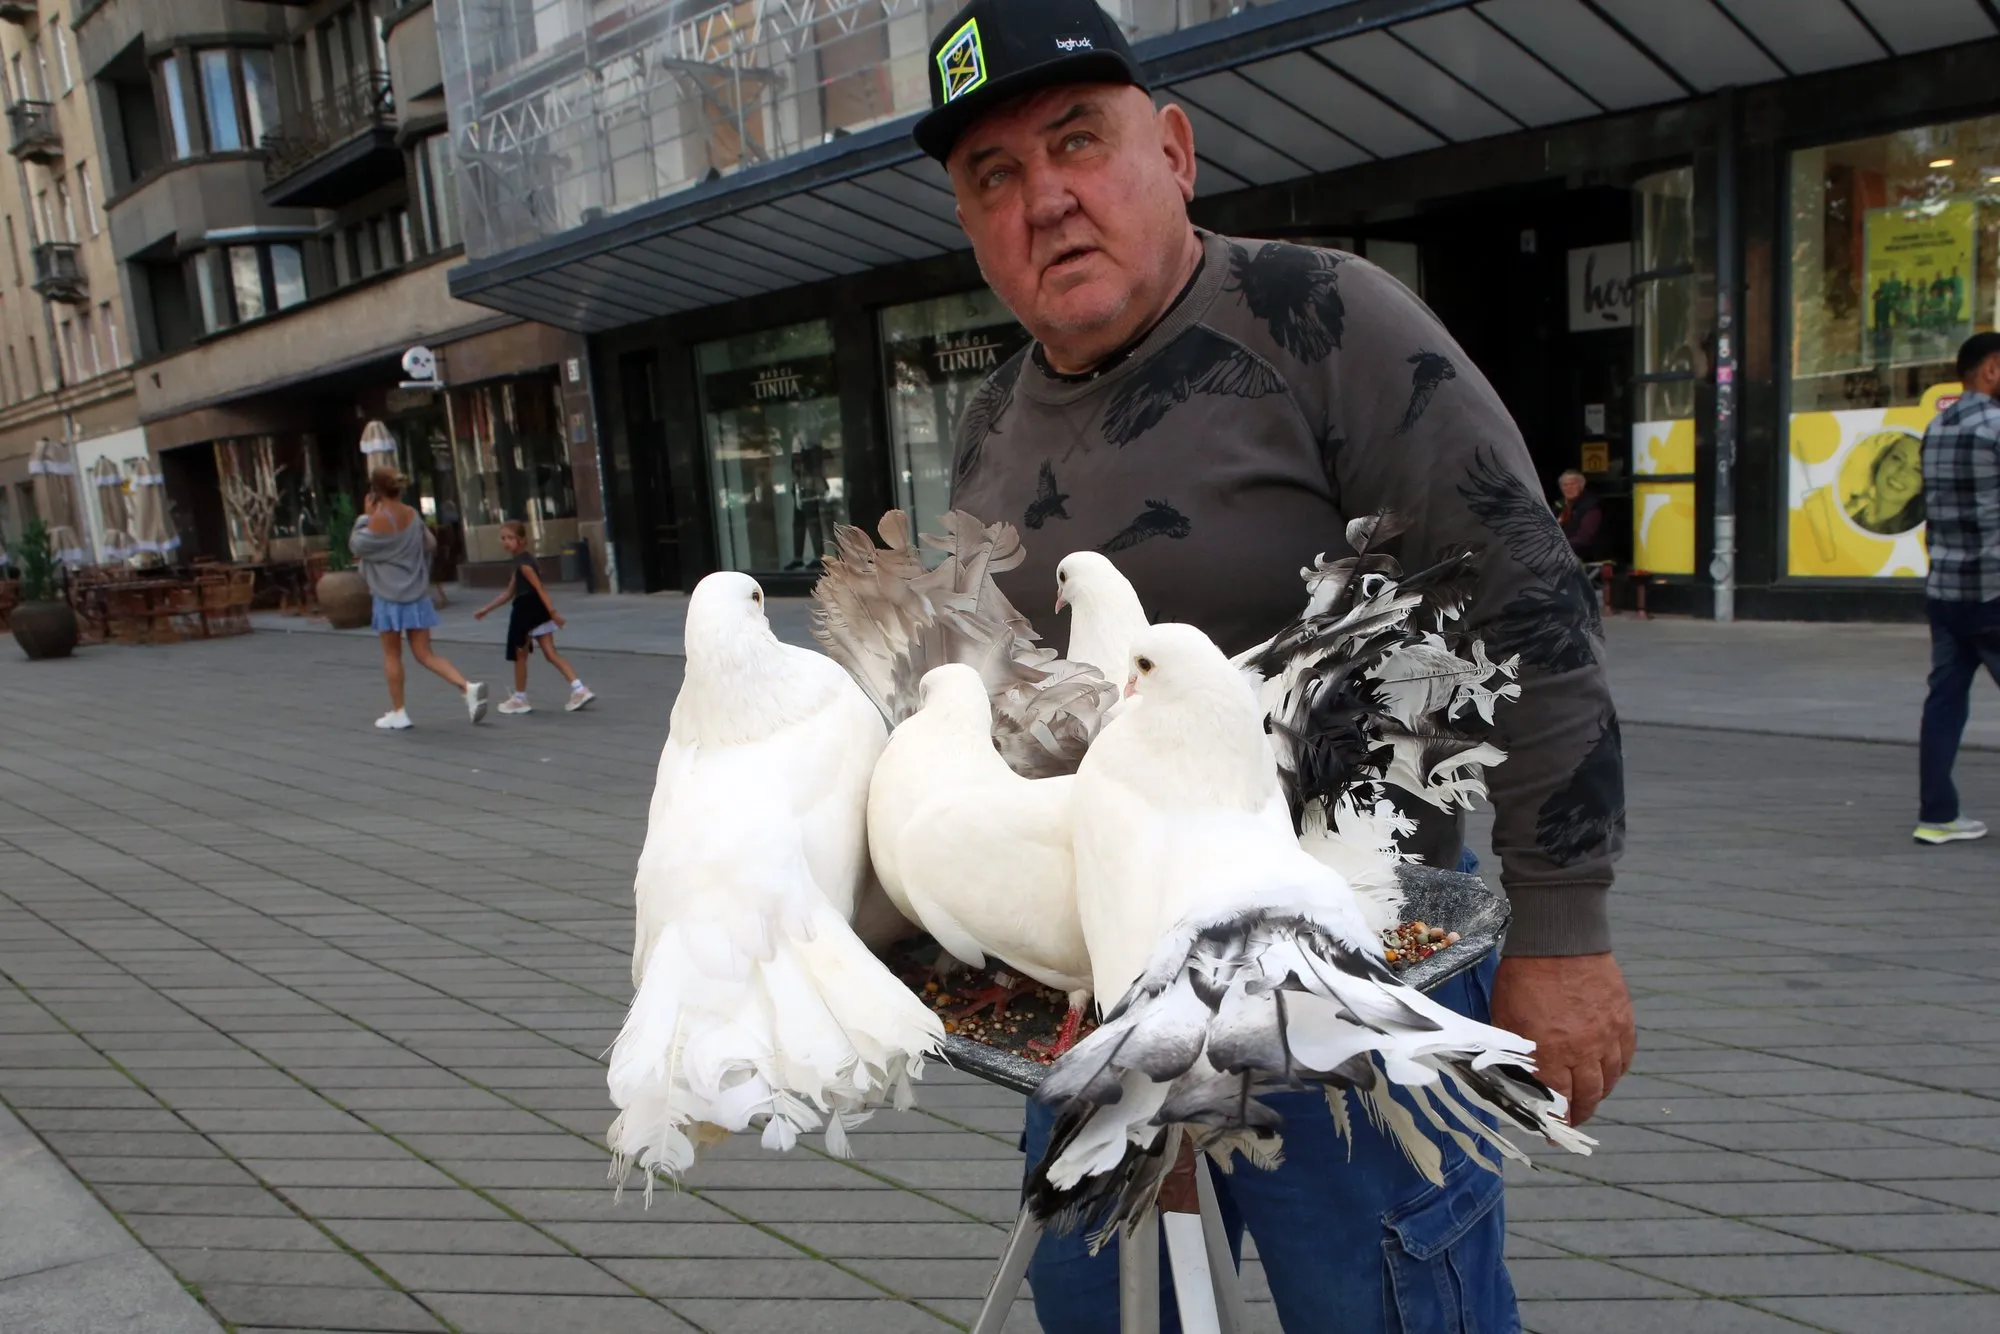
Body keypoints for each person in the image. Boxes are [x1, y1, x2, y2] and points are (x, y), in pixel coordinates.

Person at [916, 2, 1633, 1329]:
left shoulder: (1322, 320)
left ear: (1176, 152)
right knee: (1114, 1311)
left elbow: (1531, 603)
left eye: (1079, 142)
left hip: (1354, 965)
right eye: (995, 176)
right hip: (1105, 999)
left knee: (1394, 1309)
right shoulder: (991, 425)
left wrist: (1566, 931)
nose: (1047, 199)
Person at [1915, 330, 2000, 845]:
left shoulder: (1936, 427)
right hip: (1994, 590)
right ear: (1990, 368)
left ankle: (1937, 814)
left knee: (1944, 701)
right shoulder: (1997, 427)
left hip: (1946, 591)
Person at [350, 467, 486, 730]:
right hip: (416, 593)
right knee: (425, 653)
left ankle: (399, 711)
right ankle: (466, 686)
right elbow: (430, 543)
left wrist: (364, 518)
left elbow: (357, 545)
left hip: (389, 597)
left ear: (375, 491)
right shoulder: (412, 514)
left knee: (392, 654)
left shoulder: (377, 519)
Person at [473, 519, 596, 715]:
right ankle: (579, 688)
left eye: (511, 538)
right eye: (503, 538)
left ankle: (520, 698)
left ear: (522, 540)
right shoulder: (522, 562)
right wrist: (486, 609)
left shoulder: (524, 565)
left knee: (520, 655)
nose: (506, 542)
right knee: (550, 652)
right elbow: (509, 592)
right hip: (537, 611)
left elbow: (539, 589)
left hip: (526, 612)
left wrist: (554, 613)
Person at [1846, 431, 1926, 535]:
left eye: (1917, 469)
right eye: (1897, 458)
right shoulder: (1851, 511)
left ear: (1922, 486)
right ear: (1881, 461)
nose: (1902, 471)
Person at [1555, 469, 1610, 560]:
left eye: (1572, 484)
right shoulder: (1559, 505)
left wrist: (1557, 547)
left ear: (1581, 486)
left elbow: (1584, 538)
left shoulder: (1591, 505)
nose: (1569, 488)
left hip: (1587, 557)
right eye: (1565, 485)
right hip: (1561, 553)